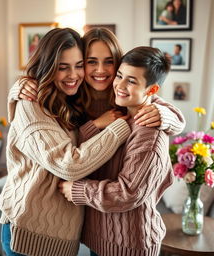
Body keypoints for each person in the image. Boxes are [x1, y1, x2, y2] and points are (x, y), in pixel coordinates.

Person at [13, 28, 185, 256]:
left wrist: (169, 117)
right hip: (90, 230)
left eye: (109, 62)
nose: (101, 70)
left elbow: (150, 100)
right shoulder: (73, 95)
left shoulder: (128, 101)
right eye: (91, 62)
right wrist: (17, 88)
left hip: (122, 232)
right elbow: (72, 145)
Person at [0, 28, 131, 256]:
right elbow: (69, 164)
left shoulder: (70, 98)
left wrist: (168, 116)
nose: (74, 75)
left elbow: (150, 97)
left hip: (64, 237)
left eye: (78, 65)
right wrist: (120, 127)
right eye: (63, 67)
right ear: (48, 66)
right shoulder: (31, 103)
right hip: (29, 233)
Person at [59, 46, 175, 256]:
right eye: (120, 75)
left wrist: (77, 190)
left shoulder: (149, 135)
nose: (119, 85)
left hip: (129, 246)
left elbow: (127, 193)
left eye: (131, 81)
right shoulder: (122, 113)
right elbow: (86, 148)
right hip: (102, 239)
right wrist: (96, 125)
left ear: (151, 90)